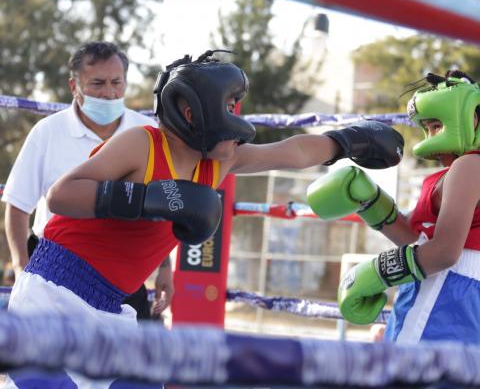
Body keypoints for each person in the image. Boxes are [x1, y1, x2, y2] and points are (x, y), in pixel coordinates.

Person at [5, 49, 403, 388]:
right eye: (228, 107)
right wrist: (144, 198)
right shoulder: (141, 144)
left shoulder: (220, 162)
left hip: (112, 305)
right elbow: (61, 196)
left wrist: (349, 140)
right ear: (193, 112)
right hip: (54, 293)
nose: (237, 121)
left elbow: (290, 152)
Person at [2, 41, 174, 320]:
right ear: (74, 86)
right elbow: (17, 206)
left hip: (125, 274)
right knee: (47, 360)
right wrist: (22, 268)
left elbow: (160, 207)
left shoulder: (150, 133)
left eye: (116, 82)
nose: (109, 93)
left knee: (130, 361)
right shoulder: (47, 132)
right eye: (97, 83)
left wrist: (165, 267)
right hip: (54, 270)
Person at [308, 70, 480, 344]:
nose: (431, 137)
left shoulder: (470, 166)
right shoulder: (454, 174)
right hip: (446, 290)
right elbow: (415, 238)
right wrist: (370, 202)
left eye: (436, 126)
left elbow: (446, 251)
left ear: (470, 118)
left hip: (447, 293)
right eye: (427, 128)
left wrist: (374, 274)